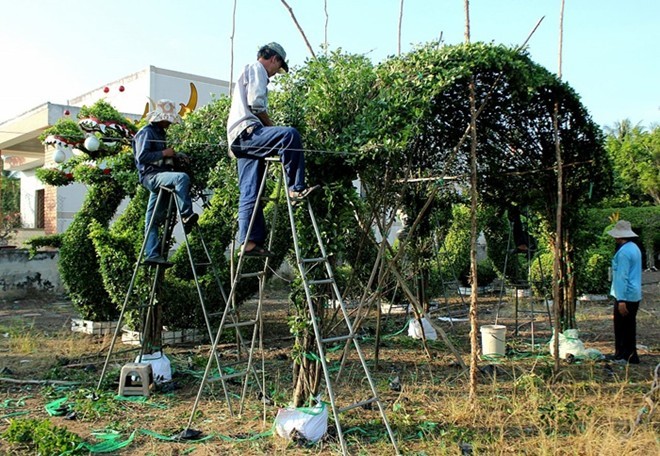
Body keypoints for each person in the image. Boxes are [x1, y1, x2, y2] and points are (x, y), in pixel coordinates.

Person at [226, 42, 317, 257]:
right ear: (274, 59)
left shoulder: (245, 72)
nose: (276, 73)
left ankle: (248, 242)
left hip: (237, 139)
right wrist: (271, 128)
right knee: (289, 135)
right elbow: (257, 105)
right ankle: (295, 188)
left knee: (251, 191)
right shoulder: (257, 69)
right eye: (278, 67)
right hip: (248, 132)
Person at [133, 99, 198, 265]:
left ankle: (152, 254)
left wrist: (176, 155)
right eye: (167, 119)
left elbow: (164, 155)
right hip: (151, 176)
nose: (169, 122)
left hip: (160, 175)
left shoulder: (160, 133)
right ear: (160, 118)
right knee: (181, 178)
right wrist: (164, 153)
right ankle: (186, 215)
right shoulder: (146, 132)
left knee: (152, 219)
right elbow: (142, 157)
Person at [607, 220, 642, 364]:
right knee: (629, 326)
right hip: (634, 293)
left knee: (621, 327)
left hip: (625, 295)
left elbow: (622, 277)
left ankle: (622, 355)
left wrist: (621, 300)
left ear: (619, 237)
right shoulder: (634, 248)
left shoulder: (623, 253)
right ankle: (631, 354)